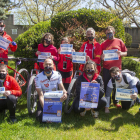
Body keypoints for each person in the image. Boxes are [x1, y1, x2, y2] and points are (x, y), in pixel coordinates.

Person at [101, 26, 127, 108]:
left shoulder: (119, 41)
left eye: (110, 32)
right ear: (105, 34)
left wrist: (120, 53)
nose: (109, 34)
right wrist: (102, 57)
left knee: (116, 85)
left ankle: (116, 101)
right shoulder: (103, 44)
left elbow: (125, 53)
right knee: (106, 85)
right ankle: (106, 101)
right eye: (107, 33)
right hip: (106, 68)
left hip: (117, 69)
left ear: (114, 32)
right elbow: (101, 55)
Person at [35, 58, 67, 122]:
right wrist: (46, 109)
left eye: (50, 64)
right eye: (46, 64)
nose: (48, 66)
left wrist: (65, 93)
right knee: (39, 117)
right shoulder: (38, 77)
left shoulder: (57, 74)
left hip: (55, 99)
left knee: (55, 116)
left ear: (53, 65)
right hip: (44, 99)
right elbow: (40, 95)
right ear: (43, 65)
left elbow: (62, 88)